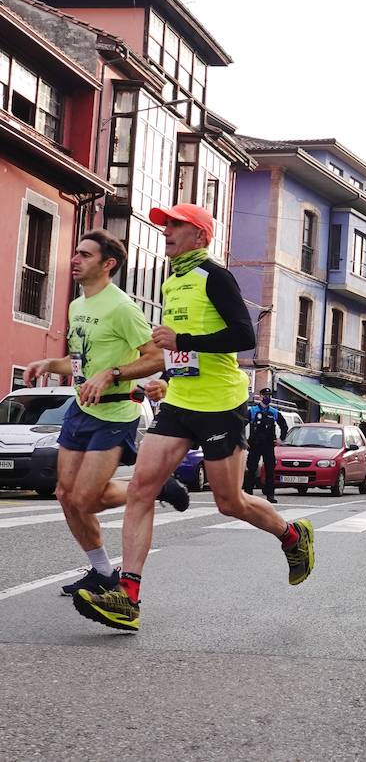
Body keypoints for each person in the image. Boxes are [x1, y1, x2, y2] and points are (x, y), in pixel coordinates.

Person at [73, 204, 316, 633]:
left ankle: (292, 536)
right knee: (143, 489)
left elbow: (242, 334)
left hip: (220, 402)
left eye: (176, 225)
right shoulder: (172, 280)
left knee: (230, 502)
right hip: (180, 400)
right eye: (165, 225)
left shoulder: (214, 275)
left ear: (200, 236)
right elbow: (176, 348)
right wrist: (165, 374)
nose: (166, 231)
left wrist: (182, 338)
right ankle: (128, 597)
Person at [23, 230, 189, 598]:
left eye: (85, 255)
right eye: (76, 253)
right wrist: (50, 362)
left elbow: (155, 357)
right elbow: (81, 362)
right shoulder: (78, 306)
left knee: (85, 498)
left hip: (115, 412)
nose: (75, 260)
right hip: (82, 409)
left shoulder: (122, 308)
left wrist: (113, 374)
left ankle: (152, 487)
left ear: (107, 263)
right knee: (66, 495)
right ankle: (101, 571)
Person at [245, 387, 289, 502]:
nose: (267, 398)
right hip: (255, 445)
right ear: (260, 396)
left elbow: (284, 426)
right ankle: (248, 493)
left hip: (268, 445)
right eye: (265, 395)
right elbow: (241, 424)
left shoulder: (274, 412)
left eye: (269, 396)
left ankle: (270, 495)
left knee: (270, 470)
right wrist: (243, 440)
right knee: (251, 469)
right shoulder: (253, 411)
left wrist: (281, 439)